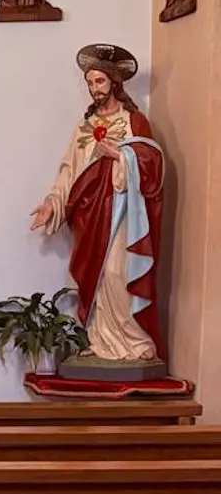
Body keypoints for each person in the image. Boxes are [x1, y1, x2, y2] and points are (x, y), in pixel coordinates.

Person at [30, 43, 164, 363]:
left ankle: (134, 341)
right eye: (90, 83)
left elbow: (153, 163)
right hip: (88, 215)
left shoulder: (134, 121)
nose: (95, 89)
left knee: (117, 272)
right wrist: (53, 203)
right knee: (96, 277)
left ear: (114, 82)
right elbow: (69, 171)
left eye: (100, 81)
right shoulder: (84, 126)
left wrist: (120, 155)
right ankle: (100, 339)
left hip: (122, 212)